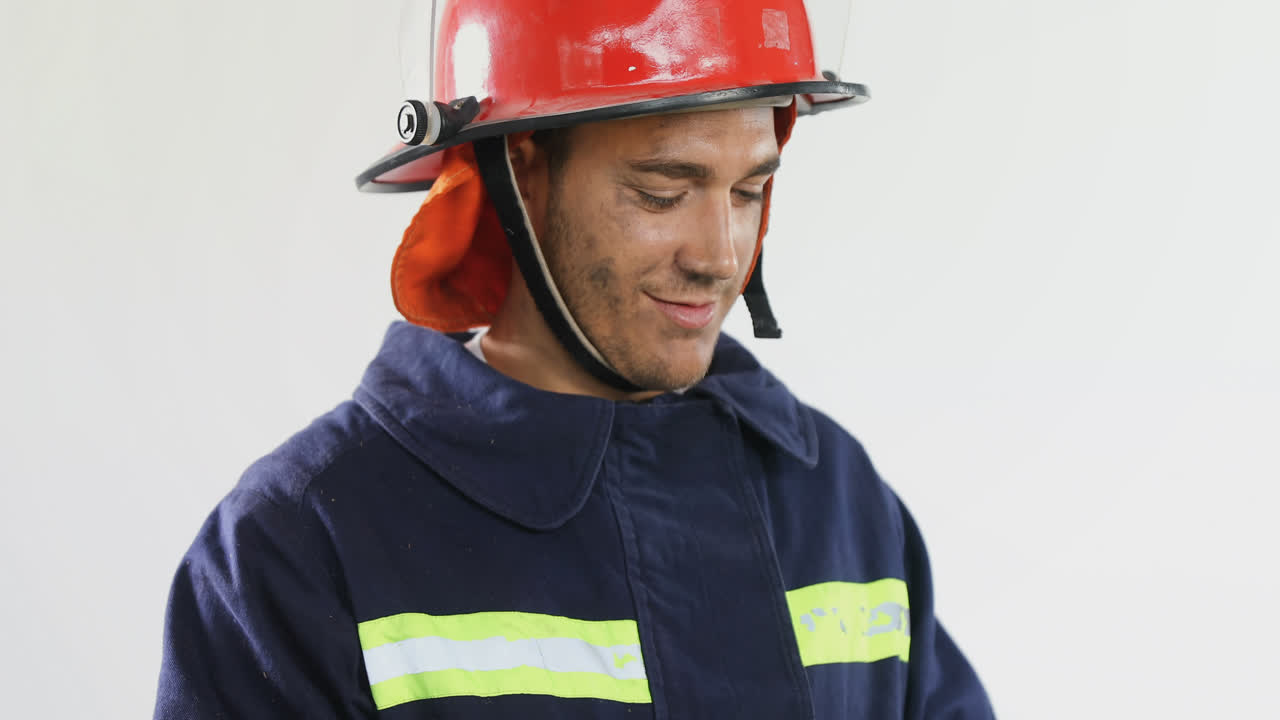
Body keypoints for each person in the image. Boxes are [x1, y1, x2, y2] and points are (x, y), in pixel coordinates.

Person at [153, 1, 995, 717]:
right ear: (521, 171)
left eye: (749, 191)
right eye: (663, 192)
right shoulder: (301, 547)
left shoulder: (837, 501)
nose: (720, 253)